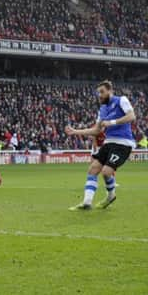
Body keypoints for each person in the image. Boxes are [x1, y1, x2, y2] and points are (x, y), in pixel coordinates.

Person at [65, 80, 136, 211]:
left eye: (102, 92)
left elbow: (132, 116)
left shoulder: (121, 100)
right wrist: (76, 131)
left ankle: (110, 195)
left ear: (110, 90)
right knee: (93, 169)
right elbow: (96, 130)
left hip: (123, 143)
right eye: (98, 93)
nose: (100, 95)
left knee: (106, 172)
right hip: (108, 143)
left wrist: (112, 122)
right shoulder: (102, 109)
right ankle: (86, 202)